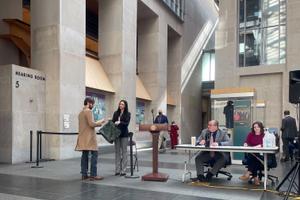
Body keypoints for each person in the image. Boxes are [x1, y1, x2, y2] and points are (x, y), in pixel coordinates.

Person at [75, 97, 105, 181]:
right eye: (92, 103)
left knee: (84, 156)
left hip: (82, 137)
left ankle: (84, 174)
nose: (93, 105)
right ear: (88, 102)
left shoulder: (80, 112)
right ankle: (93, 175)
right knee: (94, 155)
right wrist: (100, 122)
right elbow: (91, 124)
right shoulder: (88, 111)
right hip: (90, 138)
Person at [239, 121, 265, 186]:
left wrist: (260, 146)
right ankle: (256, 178)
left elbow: (265, 144)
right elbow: (246, 142)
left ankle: (249, 172)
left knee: (254, 157)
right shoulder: (250, 134)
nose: (256, 128)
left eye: (257, 127)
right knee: (253, 157)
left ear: (261, 128)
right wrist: (245, 144)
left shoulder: (264, 135)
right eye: (254, 127)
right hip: (252, 154)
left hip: (262, 155)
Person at [112, 100, 131, 176]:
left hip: (124, 134)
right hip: (116, 134)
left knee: (124, 152)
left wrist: (120, 122)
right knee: (117, 152)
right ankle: (117, 170)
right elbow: (113, 122)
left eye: (122, 104)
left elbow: (127, 124)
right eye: (120, 104)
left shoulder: (128, 114)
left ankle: (123, 170)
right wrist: (113, 122)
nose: (120, 105)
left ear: (125, 105)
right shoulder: (116, 113)